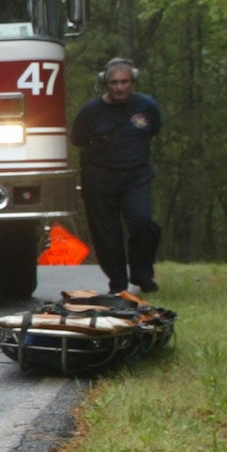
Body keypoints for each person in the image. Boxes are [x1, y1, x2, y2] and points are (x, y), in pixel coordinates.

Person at [70, 57, 162, 295]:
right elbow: (77, 139)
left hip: (136, 177)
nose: (120, 87)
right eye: (114, 83)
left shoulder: (147, 106)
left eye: (125, 82)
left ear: (133, 82)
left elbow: (154, 129)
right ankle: (118, 283)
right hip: (99, 179)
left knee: (142, 222)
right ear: (105, 84)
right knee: (107, 235)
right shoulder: (90, 111)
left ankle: (142, 274)